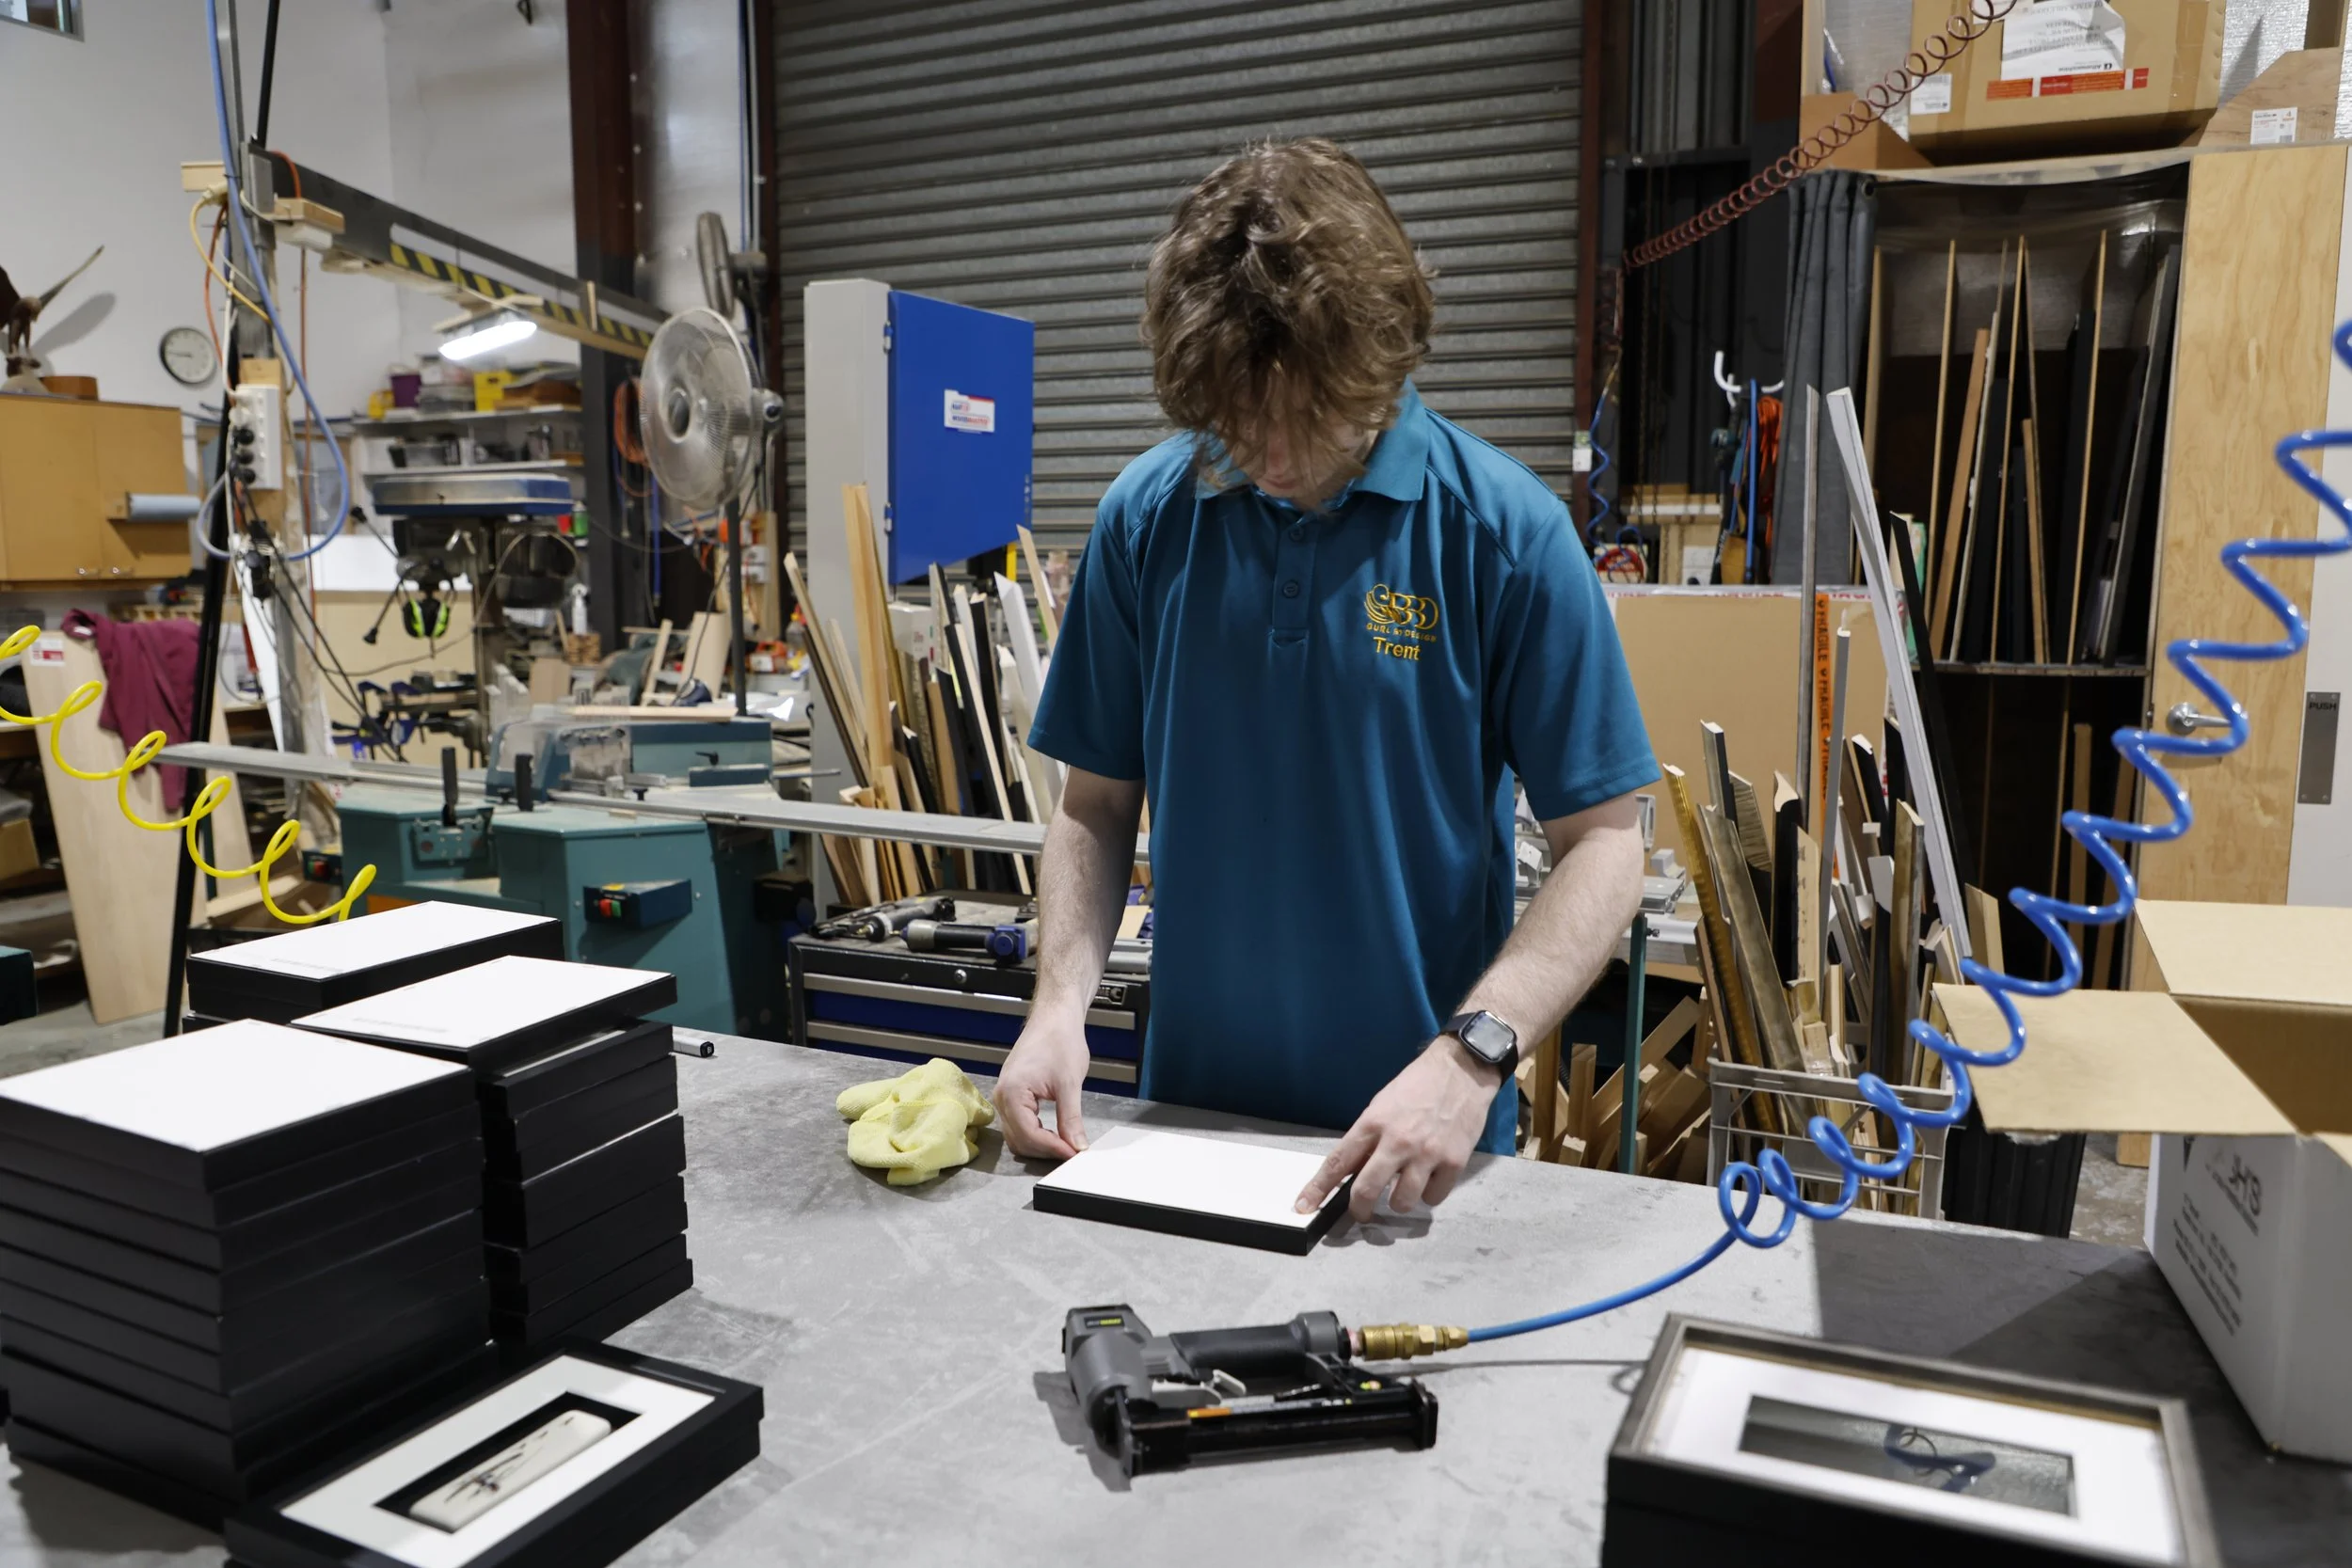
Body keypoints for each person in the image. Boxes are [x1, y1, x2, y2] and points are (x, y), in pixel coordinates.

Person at [997, 138, 1657, 1222]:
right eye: (1232, 418)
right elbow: (1095, 801)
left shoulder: (1505, 535)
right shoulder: (1147, 520)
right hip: (1187, 1134)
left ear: (1381, 355)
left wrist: (1473, 1055)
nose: (1265, 455)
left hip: (1419, 1149)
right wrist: (1059, 1002)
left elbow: (1606, 842)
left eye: (1298, 417)